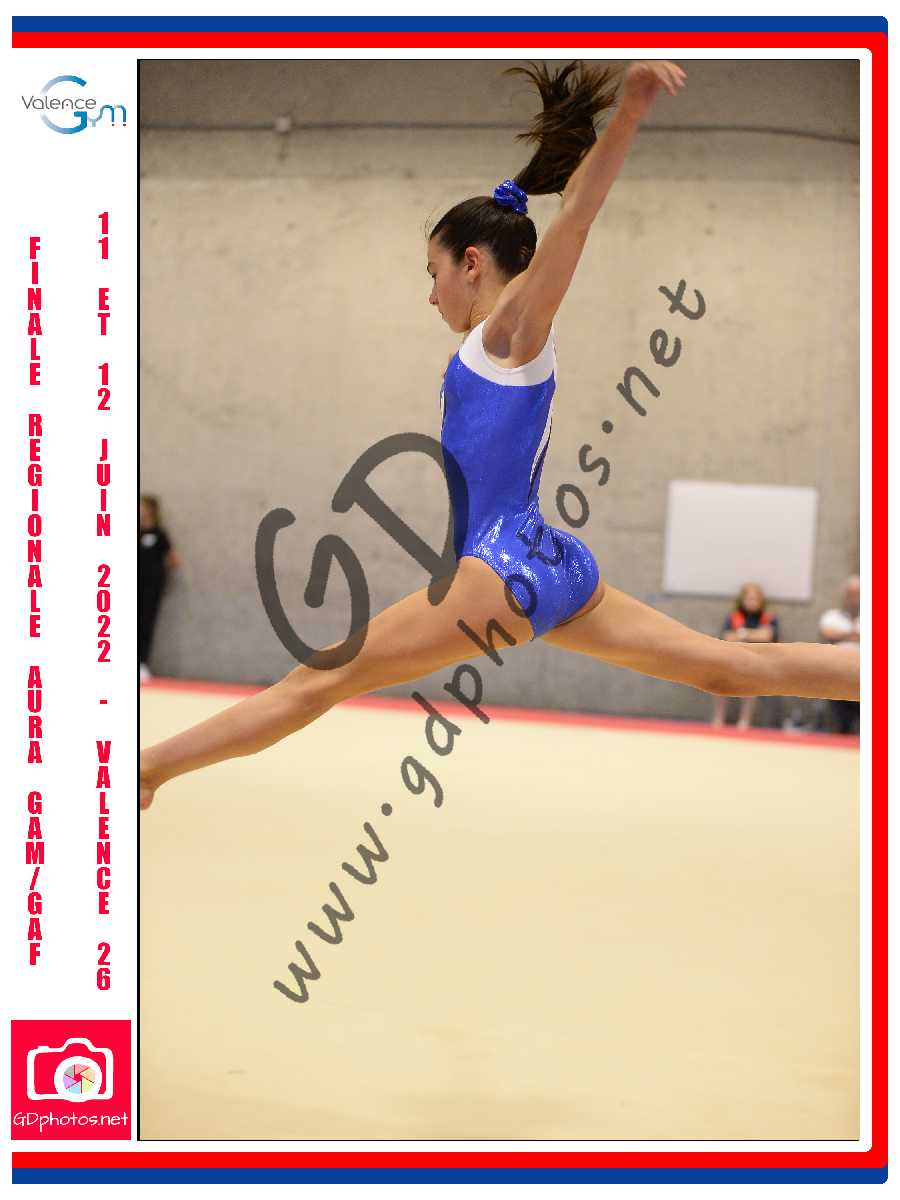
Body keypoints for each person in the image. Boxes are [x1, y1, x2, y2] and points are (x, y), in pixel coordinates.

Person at [140, 59, 860, 811]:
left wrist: (630, 113)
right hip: (554, 562)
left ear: (472, 263)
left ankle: (148, 769)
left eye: (433, 272)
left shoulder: (507, 333)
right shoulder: (499, 345)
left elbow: (575, 219)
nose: (431, 294)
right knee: (724, 668)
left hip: (498, 568)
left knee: (318, 679)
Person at [711, 583, 780, 731]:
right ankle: (718, 718)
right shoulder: (733, 617)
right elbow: (727, 637)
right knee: (720, 678)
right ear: (742, 600)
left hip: (760, 662)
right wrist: (752, 634)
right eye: (748, 598)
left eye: (755, 599)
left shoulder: (768, 618)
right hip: (733, 659)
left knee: (751, 680)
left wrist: (742, 633)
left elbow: (767, 636)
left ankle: (744, 720)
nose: (752, 602)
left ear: (761, 600)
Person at [139, 494, 180, 682]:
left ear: (151, 510)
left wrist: (158, 573)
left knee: (145, 624)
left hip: (151, 587)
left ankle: (142, 663)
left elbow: (174, 560)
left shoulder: (159, 534)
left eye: (142, 506)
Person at [819, 575, 861, 734]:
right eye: (850, 594)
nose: (854, 598)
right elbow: (828, 632)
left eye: (857, 594)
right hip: (837, 672)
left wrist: (843, 635)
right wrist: (855, 635)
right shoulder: (832, 616)